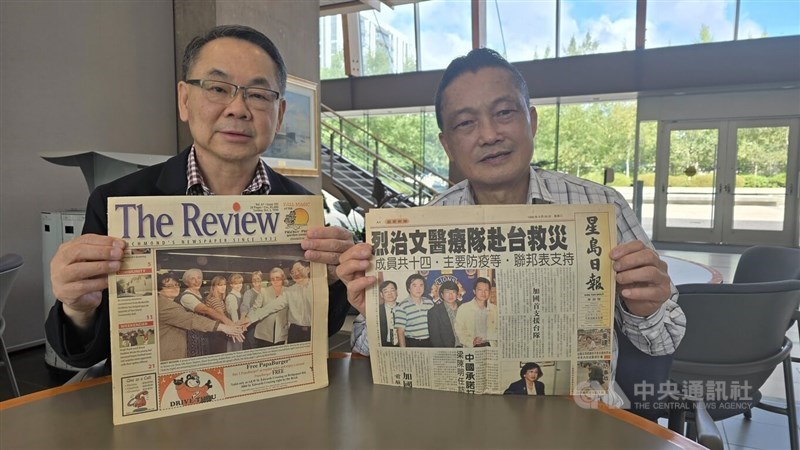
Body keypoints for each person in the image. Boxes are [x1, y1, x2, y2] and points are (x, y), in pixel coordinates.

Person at [337, 48, 685, 387]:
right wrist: (371, 311)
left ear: (531, 120)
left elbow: (664, 342)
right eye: (466, 122)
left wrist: (646, 307)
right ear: (447, 145)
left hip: (579, 415)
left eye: (504, 113)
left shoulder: (600, 205)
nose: (489, 135)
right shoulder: (427, 222)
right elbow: (370, 352)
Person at [46, 25, 353, 371]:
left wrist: (332, 280)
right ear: (184, 99)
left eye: (258, 94)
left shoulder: (302, 206)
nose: (238, 109)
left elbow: (320, 330)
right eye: (218, 88)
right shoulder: (117, 201)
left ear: (279, 114)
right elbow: (89, 352)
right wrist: (77, 308)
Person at [156, 272, 244, 361]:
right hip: (172, 352)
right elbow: (192, 318)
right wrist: (225, 326)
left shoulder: (169, 302)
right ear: (159, 289)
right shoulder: (167, 305)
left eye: (176, 285)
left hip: (192, 340)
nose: (175, 288)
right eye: (169, 286)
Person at [246, 261, 313, 344]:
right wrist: (250, 319)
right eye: (293, 272)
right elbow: (271, 307)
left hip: (314, 330)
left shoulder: (317, 287)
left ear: (308, 269)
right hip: (295, 331)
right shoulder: (290, 291)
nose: (296, 273)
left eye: (299, 269)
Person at [250, 267, 289, 347]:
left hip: (281, 333)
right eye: (272, 278)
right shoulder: (264, 291)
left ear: (282, 278)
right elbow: (254, 308)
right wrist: (247, 320)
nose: (275, 280)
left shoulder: (288, 292)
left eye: (277, 278)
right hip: (263, 334)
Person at [454, 277, 497, 348]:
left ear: (489, 292)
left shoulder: (495, 309)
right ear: (474, 291)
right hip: (471, 346)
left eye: (486, 290)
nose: (483, 293)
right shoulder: (463, 308)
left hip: (491, 346)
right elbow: (459, 330)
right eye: (480, 290)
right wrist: (472, 341)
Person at [394, 274, 435, 347]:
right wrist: (403, 351)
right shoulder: (402, 306)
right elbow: (400, 332)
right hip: (413, 343)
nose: (418, 289)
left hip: (430, 342)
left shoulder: (429, 303)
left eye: (421, 285)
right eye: (414, 286)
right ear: (409, 288)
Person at [427, 280, 461, 348]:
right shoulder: (434, 312)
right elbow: (435, 338)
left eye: (453, 292)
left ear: (457, 294)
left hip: (466, 348)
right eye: (447, 292)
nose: (450, 295)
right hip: (448, 350)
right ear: (442, 294)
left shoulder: (464, 308)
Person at [225, 273, 245, 351]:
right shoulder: (231, 297)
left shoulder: (240, 295)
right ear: (231, 285)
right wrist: (237, 330)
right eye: (236, 283)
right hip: (235, 328)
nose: (239, 285)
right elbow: (234, 315)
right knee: (234, 350)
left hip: (240, 328)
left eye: (240, 283)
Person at [378, 280, 400, 347]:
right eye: (386, 291)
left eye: (392, 290)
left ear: (397, 292)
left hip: (401, 344)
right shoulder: (377, 310)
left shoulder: (404, 308)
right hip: (383, 344)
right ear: (381, 294)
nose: (389, 293)